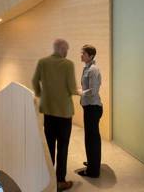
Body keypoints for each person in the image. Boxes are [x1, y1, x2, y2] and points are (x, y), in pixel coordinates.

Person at [32, 39, 77, 191]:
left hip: (49, 112)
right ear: (62, 49)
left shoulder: (42, 62)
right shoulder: (68, 64)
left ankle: (49, 179)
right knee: (63, 147)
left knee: (50, 145)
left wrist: (41, 95)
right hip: (64, 113)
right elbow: (72, 88)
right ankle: (60, 181)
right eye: (66, 49)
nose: (67, 52)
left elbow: (34, 81)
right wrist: (77, 91)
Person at [77, 45, 102, 178]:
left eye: (84, 53)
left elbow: (93, 91)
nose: (81, 55)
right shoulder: (87, 68)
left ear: (91, 56)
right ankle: (93, 163)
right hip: (89, 107)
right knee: (91, 138)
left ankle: (93, 171)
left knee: (92, 140)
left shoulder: (93, 70)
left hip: (93, 108)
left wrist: (80, 92)